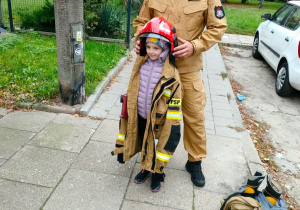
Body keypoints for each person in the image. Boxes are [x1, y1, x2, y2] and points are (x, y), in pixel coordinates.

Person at [133, 0, 227, 187]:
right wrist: (141, 40)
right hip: (158, 68)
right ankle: (150, 161)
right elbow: (141, 22)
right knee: (153, 117)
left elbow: (218, 27)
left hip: (188, 69)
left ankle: (195, 162)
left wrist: (195, 45)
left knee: (195, 117)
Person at [112, 17, 182, 192]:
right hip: (141, 115)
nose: (151, 51)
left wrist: (169, 124)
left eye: (156, 48)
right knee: (145, 143)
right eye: (148, 47)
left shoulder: (172, 75)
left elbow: (174, 109)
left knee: (158, 147)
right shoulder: (140, 64)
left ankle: (157, 173)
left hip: (159, 122)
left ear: (166, 47)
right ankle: (145, 167)